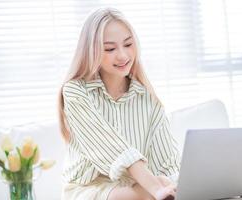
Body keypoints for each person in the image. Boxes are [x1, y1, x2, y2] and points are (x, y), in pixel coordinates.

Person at [58, 7, 180, 200]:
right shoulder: (76, 92)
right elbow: (112, 148)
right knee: (146, 194)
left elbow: (166, 162)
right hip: (88, 190)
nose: (123, 55)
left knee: (168, 185)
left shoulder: (148, 100)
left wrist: (172, 184)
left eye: (128, 44)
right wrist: (156, 188)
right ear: (92, 51)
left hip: (136, 189)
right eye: (110, 49)